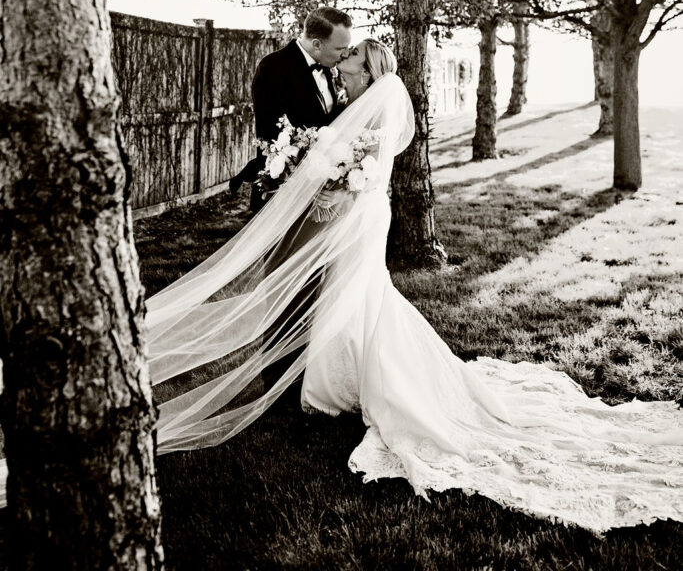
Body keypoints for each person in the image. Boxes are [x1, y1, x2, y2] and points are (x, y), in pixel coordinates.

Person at [144, 39, 683, 535]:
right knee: (357, 295)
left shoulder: (376, 102)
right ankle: (342, 378)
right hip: (361, 213)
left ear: (367, 69)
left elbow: (363, 171)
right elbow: (354, 164)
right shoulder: (372, 99)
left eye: (350, 66)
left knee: (355, 292)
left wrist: (334, 184)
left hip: (359, 214)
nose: (343, 74)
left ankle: (352, 385)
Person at [228, 6, 352, 210]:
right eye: (340, 48)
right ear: (317, 44)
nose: (345, 54)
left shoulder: (327, 67)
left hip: (321, 189)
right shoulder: (273, 68)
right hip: (284, 193)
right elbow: (271, 137)